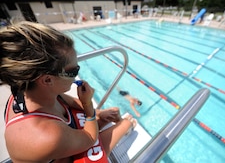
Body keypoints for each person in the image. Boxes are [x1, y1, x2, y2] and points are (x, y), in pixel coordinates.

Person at [0, 21, 136, 162]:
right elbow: (90, 138)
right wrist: (90, 107)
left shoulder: (31, 90)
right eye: (74, 71)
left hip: (60, 142)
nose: (77, 75)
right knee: (126, 123)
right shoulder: (43, 135)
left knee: (111, 117)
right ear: (47, 80)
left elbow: (68, 101)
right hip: (61, 149)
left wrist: (100, 114)